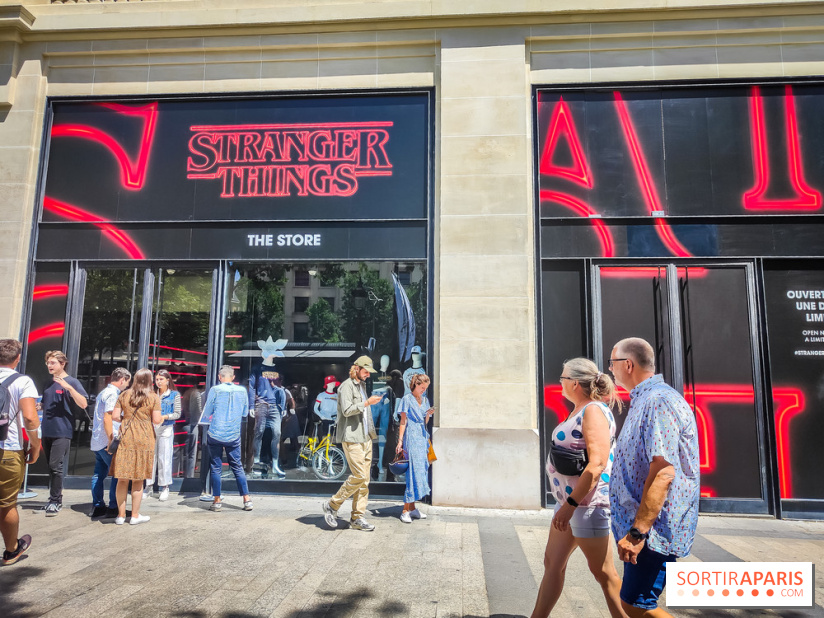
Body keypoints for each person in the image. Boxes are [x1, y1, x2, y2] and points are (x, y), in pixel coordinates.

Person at [608, 338, 700, 618]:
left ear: (628, 364)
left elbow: (663, 472)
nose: (610, 370)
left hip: (652, 531)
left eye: (612, 363)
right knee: (634, 602)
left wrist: (638, 532)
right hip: (643, 527)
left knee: (636, 604)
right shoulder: (646, 399)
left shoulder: (657, 401)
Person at [530, 358, 626, 618]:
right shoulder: (581, 409)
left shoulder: (593, 411)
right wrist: (567, 505)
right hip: (570, 505)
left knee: (604, 574)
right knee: (553, 564)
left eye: (563, 378)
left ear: (574, 383)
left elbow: (597, 464)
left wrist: (570, 506)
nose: (560, 382)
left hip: (585, 506)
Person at [321, 355, 383, 531]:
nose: (368, 375)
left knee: (364, 482)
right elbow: (347, 410)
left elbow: (364, 414)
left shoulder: (361, 385)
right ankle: (332, 505)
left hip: (365, 437)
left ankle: (357, 518)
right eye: (366, 371)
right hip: (352, 437)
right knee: (359, 476)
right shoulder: (346, 386)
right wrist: (367, 402)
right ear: (356, 369)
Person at [0, 339, 40, 566]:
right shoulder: (22, 381)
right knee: (7, 503)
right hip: (8, 448)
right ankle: (11, 550)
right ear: (17, 359)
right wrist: (35, 446)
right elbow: (30, 418)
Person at [108, 368, 161, 525]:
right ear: (150, 380)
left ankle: (120, 516)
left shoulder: (124, 395)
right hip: (144, 438)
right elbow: (156, 420)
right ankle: (135, 516)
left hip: (126, 437)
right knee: (138, 480)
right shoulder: (153, 397)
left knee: (122, 479)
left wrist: (126, 419)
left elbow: (115, 416)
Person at [40, 350, 88, 516]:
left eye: (53, 362)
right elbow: (44, 403)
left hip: (62, 430)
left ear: (63, 363)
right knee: (51, 467)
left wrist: (69, 388)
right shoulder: (48, 383)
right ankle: (53, 499)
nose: (49, 365)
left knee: (56, 466)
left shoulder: (72, 382)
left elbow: (83, 403)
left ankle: (55, 501)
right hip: (47, 429)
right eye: (48, 362)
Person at [200, 365, 253, 512]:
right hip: (233, 434)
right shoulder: (242, 391)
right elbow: (244, 413)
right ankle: (247, 499)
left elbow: (207, 411)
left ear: (219, 377)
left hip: (216, 433)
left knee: (216, 467)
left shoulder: (215, 390)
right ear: (233, 377)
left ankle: (217, 501)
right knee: (237, 466)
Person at [90, 367, 131, 519]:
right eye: (127, 382)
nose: (127, 385)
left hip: (97, 440)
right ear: (122, 380)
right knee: (117, 473)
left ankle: (98, 505)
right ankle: (114, 507)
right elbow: (108, 418)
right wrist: (110, 440)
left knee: (98, 474)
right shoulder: (113, 394)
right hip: (106, 440)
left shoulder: (103, 392)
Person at [395, 373, 433, 523]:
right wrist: (400, 441)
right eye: (422, 387)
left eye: (426, 388)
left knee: (421, 471)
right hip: (411, 437)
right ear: (415, 385)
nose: (424, 390)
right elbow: (403, 421)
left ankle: (412, 508)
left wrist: (428, 414)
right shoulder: (407, 399)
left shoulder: (425, 400)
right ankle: (405, 510)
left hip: (422, 437)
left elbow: (425, 422)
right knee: (412, 473)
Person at [148, 369, 181, 501]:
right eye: (157, 379)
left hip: (166, 427)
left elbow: (177, 413)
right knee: (151, 457)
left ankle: (165, 487)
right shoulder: (152, 394)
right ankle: (148, 485)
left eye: (161, 379)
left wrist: (165, 416)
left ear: (168, 380)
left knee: (164, 458)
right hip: (151, 428)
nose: (158, 382)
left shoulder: (174, 395)